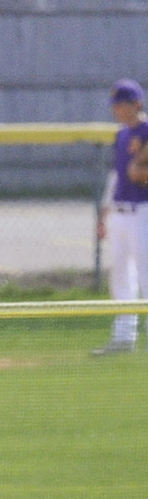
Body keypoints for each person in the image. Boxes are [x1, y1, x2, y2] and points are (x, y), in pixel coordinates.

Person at [92, 78, 148, 355]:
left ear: (136, 104)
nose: (117, 110)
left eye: (122, 104)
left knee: (146, 275)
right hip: (121, 212)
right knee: (121, 277)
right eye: (116, 105)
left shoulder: (146, 130)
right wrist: (105, 212)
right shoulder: (122, 135)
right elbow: (116, 176)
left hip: (143, 212)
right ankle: (124, 337)